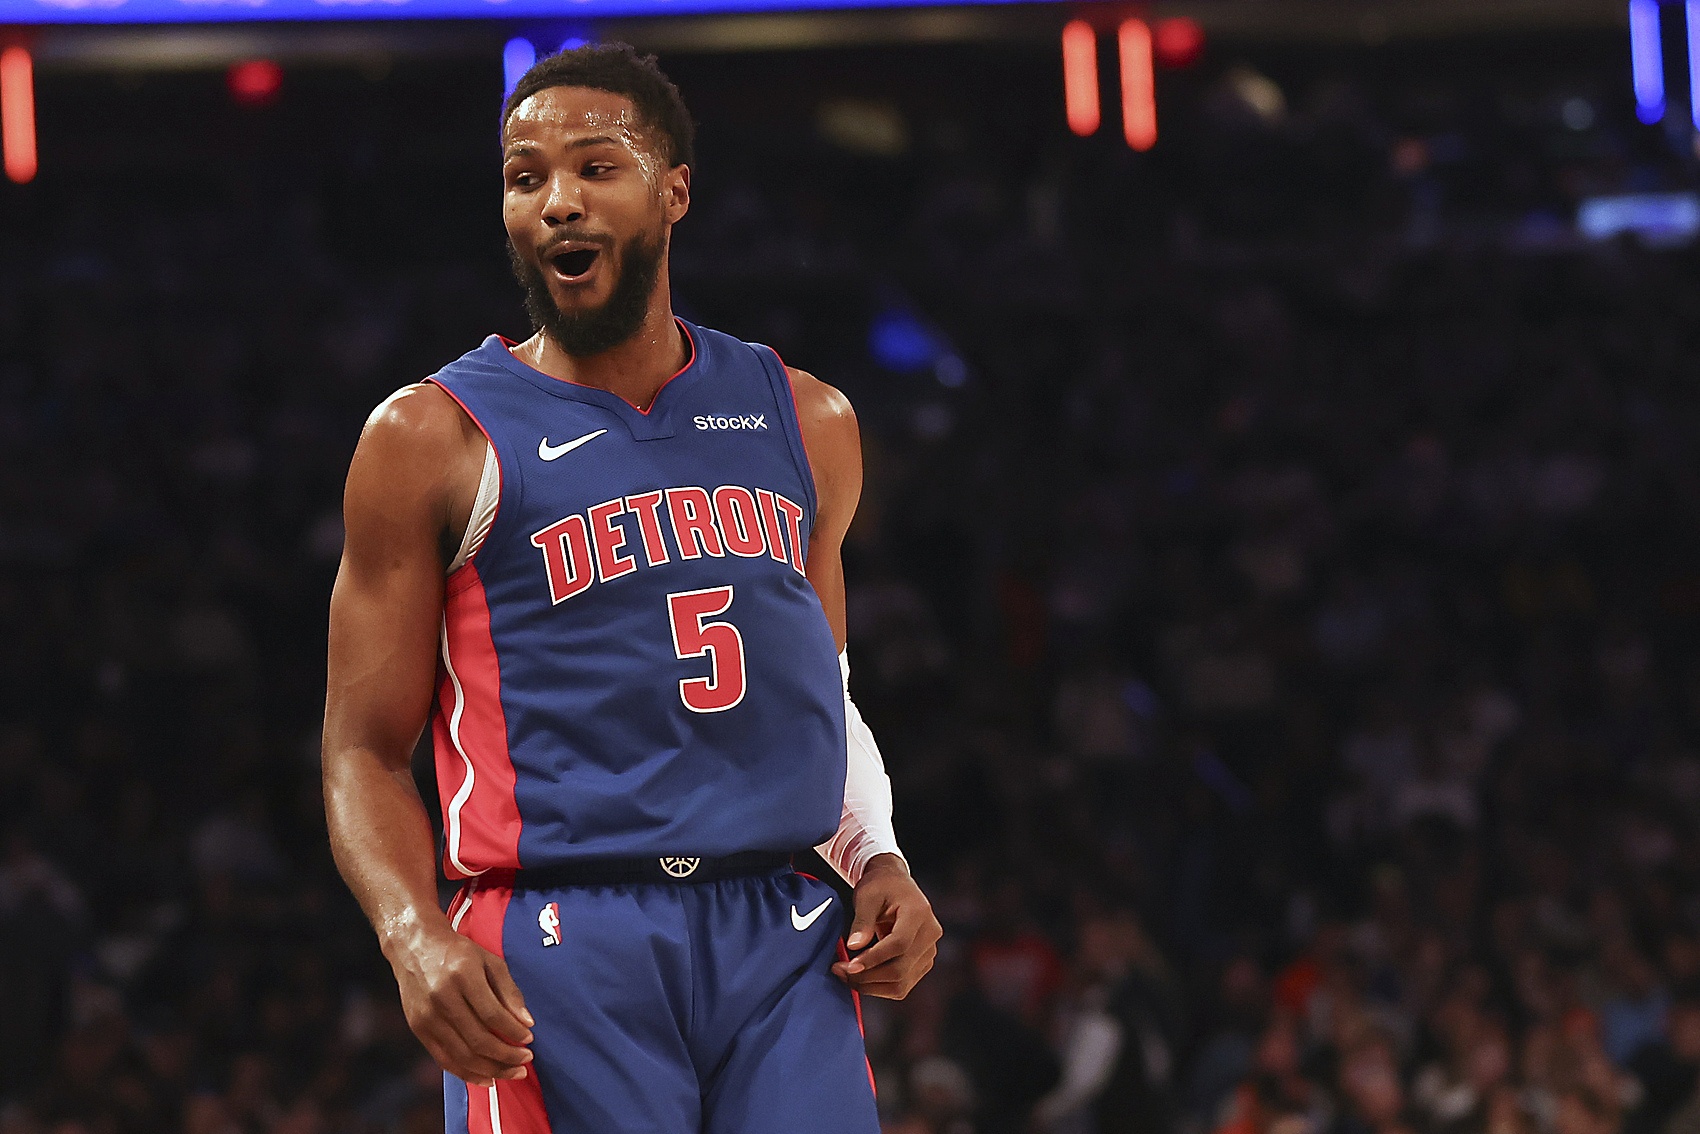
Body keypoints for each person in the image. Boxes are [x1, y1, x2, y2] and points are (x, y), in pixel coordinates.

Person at [320, 43, 942, 1134]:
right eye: (525, 178)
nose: (557, 201)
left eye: (595, 168)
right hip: (557, 936)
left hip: (780, 929)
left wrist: (875, 855)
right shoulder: (430, 437)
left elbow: (821, 694)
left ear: (673, 192)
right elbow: (362, 749)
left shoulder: (806, 419)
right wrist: (412, 931)